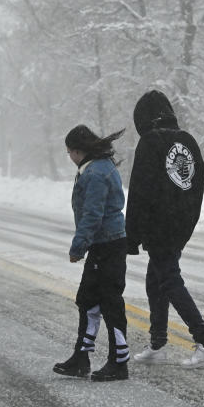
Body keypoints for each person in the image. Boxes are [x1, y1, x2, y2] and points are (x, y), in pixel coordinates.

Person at [125, 90, 204, 369]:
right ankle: (157, 344)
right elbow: (196, 185)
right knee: (155, 279)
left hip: (158, 224)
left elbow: (139, 191)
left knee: (169, 280)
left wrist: (131, 236)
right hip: (180, 224)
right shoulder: (188, 141)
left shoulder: (149, 142)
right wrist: (187, 222)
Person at [52, 125, 130, 382]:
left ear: (77, 150)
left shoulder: (95, 173)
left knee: (109, 302)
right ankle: (81, 357)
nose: (69, 157)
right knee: (89, 300)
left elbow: (93, 214)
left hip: (106, 245)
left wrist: (78, 246)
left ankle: (119, 362)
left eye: (69, 152)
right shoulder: (99, 166)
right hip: (105, 244)